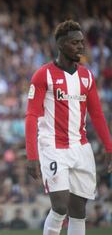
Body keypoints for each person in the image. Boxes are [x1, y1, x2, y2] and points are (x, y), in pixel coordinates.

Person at [25, 20, 112, 235]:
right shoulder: (42, 75)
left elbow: (98, 115)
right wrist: (31, 155)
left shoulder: (87, 76)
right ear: (61, 45)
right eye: (75, 43)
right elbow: (31, 115)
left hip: (80, 148)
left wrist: (110, 148)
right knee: (60, 205)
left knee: (78, 210)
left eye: (82, 42)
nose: (81, 47)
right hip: (53, 147)